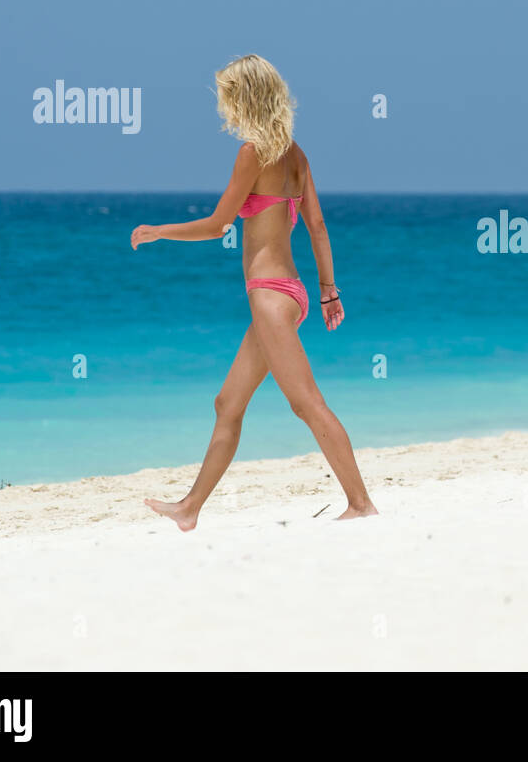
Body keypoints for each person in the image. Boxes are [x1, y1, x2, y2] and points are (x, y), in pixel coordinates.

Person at [133, 54, 377, 525]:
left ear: (243, 97)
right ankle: (189, 509)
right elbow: (319, 227)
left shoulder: (253, 152)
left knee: (306, 404)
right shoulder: (295, 153)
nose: (223, 103)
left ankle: (361, 504)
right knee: (228, 403)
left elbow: (217, 225)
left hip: (269, 295)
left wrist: (160, 230)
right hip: (292, 292)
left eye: (227, 93)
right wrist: (328, 291)